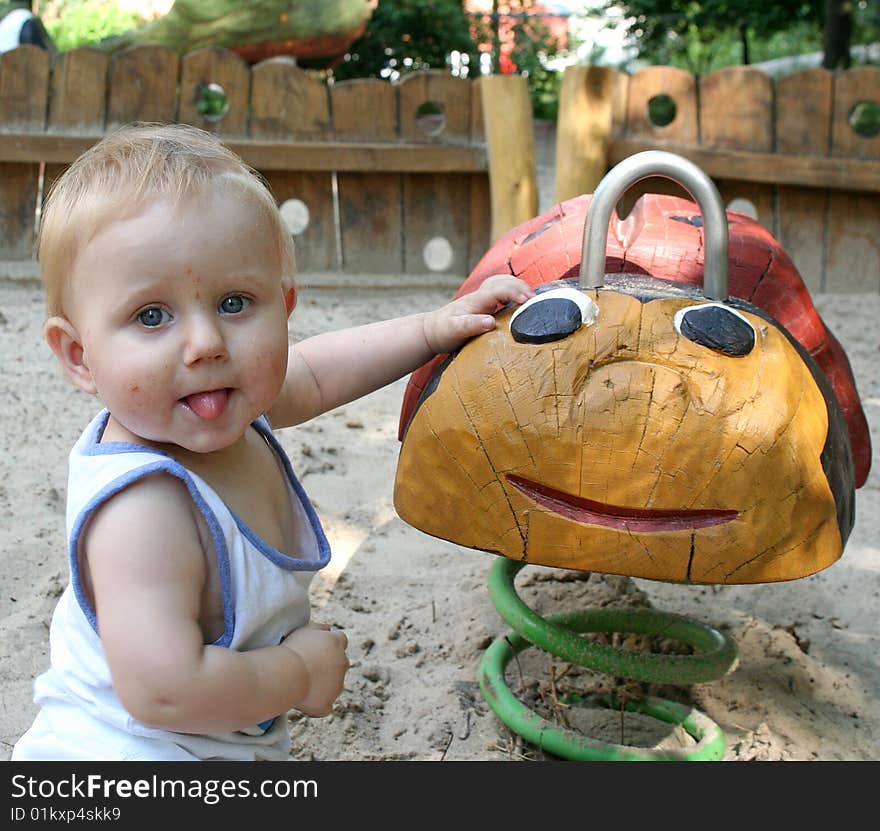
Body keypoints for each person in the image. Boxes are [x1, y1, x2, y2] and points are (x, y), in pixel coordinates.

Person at [12, 122, 533, 761]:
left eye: (235, 303)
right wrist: (299, 674)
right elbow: (165, 693)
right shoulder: (142, 510)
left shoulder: (227, 407)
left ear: (283, 306)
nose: (205, 344)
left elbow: (314, 372)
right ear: (79, 356)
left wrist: (431, 329)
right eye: (152, 316)